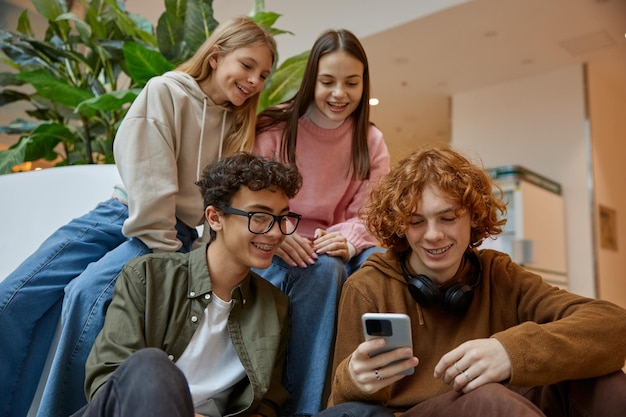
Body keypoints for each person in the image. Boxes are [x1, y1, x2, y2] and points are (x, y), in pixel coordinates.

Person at [0, 16, 276, 417]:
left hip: (174, 234)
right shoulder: (165, 91)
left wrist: (187, 257)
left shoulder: (238, 126)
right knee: (14, 297)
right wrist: (169, 256)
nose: (255, 80)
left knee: (89, 297)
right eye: (247, 65)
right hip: (125, 216)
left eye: (264, 74)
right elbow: (151, 185)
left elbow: (213, 212)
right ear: (216, 57)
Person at [320, 143, 626, 417]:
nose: (433, 234)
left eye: (448, 218)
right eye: (416, 222)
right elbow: (341, 405)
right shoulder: (368, 286)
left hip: (499, 403)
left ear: (474, 216)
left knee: (604, 380)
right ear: (401, 227)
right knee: (490, 399)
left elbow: (613, 324)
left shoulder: (499, 275)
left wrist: (509, 352)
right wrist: (353, 378)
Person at [71, 152, 303, 417]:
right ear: (215, 218)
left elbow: (267, 402)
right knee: (150, 366)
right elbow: (106, 379)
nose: (274, 232)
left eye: (282, 218)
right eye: (259, 217)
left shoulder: (275, 306)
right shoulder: (148, 276)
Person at [252, 29, 390, 416]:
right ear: (311, 78)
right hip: (279, 242)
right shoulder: (275, 129)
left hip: (336, 243)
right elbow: (253, 199)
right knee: (325, 269)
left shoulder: (370, 140)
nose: (339, 94)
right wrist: (279, 232)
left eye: (352, 83)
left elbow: (372, 212)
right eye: (327, 82)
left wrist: (348, 239)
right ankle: (307, 409)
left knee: (380, 262)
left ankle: (381, 387)